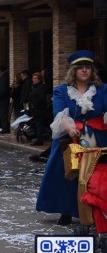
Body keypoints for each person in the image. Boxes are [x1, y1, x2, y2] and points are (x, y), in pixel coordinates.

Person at [36, 50, 107, 229]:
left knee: (95, 175)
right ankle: (66, 211)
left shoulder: (102, 89)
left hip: (97, 137)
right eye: (80, 68)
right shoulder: (61, 91)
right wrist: (69, 127)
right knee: (66, 173)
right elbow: (59, 112)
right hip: (70, 137)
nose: (84, 71)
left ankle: (94, 211)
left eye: (88, 68)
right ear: (73, 71)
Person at [27, 72, 48, 146]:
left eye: (35, 78)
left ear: (39, 79)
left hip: (39, 110)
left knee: (39, 124)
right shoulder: (34, 87)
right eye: (33, 78)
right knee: (37, 124)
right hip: (34, 110)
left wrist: (34, 104)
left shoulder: (41, 87)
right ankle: (38, 138)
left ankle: (40, 139)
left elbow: (41, 98)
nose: (34, 80)